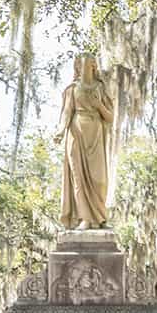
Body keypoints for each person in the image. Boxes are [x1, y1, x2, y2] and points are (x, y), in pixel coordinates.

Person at [55, 54, 114, 229]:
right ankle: (85, 218)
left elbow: (110, 118)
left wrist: (99, 106)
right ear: (77, 68)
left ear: (94, 67)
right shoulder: (72, 89)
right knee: (78, 178)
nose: (85, 68)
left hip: (95, 133)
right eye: (81, 65)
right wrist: (60, 131)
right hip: (76, 133)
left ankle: (100, 217)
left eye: (89, 65)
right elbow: (66, 112)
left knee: (99, 180)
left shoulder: (101, 88)